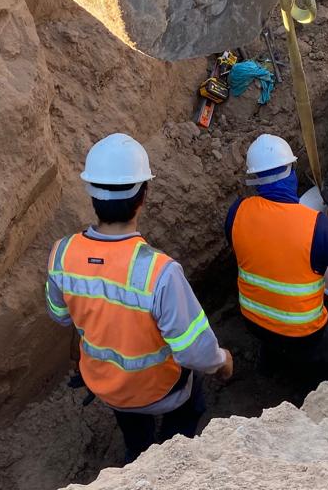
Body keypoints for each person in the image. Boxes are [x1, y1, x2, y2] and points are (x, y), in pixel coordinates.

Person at [45, 133, 234, 463]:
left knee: (134, 431)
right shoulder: (160, 272)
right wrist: (223, 363)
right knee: (190, 414)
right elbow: (194, 352)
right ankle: (170, 462)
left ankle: (137, 457)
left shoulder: (62, 254)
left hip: (108, 387)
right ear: (143, 196)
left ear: (91, 194)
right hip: (163, 391)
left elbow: (61, 315)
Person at [224, 134, 328, 392]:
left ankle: (268, 366)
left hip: (253, 320)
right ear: (291, 173)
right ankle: (320, 392)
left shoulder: (237, 211)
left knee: (272, 338)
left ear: (254, 179)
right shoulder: (318, 226)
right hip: (304, 335)